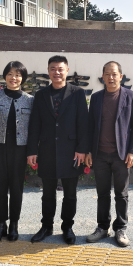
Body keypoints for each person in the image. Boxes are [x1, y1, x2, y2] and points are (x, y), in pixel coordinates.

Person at [27, 55, 89, 244]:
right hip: (47, 151)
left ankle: (67, 227)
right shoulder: (41, 95)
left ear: (67, 70)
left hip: (71, 151)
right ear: (48, 71)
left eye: (60, 69)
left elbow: (83, 123)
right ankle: (46, 226)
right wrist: (32, 150)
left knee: (70, 193)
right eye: (53, 69)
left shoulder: (77, 93)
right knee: (47, 193)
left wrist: (82, 149)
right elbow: (35, 124)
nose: (57, 72)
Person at [85, 61, 133, 247]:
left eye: (114, 74)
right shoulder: (96, 98)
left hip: (121, 155)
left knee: (121, 194)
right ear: (102, 77)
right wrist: (89, 151)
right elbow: (90, 126)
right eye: (107, 74)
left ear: (121, 76)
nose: (111, 77)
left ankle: (121, 228)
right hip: (100, 154)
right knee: (102, 193)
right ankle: (102, 227)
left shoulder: (131, 97)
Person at [0, 61, 34, 243]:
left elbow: (34, 128)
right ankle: (1, 224)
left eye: (17, 75)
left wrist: (32, 152)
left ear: (22, 78)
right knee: (0, 187)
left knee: (17, 188)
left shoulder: (29, 100)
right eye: (10, 74)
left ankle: (14, 225)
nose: (13, 78)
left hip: (20, 149)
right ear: (5, 76)